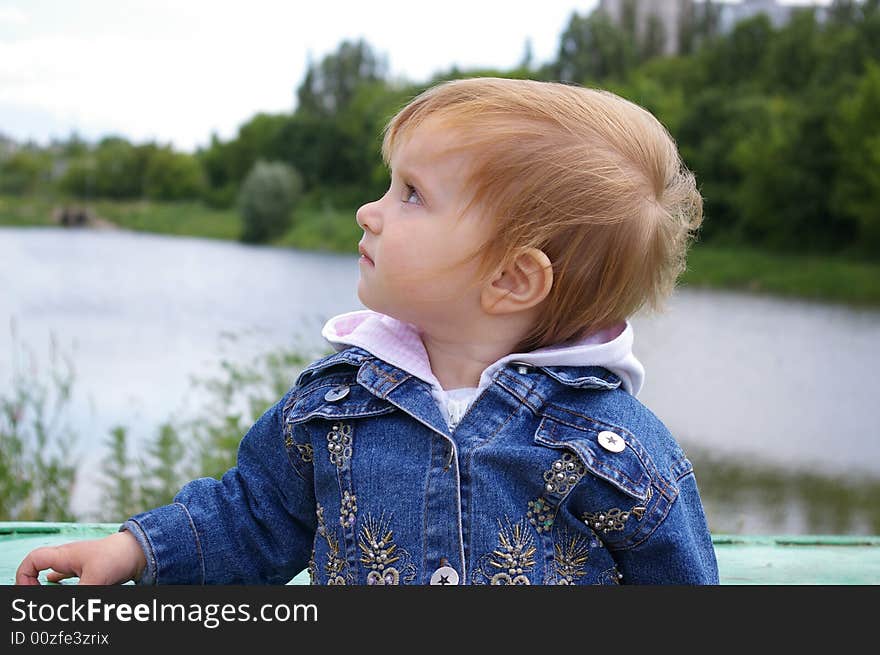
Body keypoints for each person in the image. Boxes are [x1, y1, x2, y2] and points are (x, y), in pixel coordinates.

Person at [17, 77, 718, 586]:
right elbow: (255, 517)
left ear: (511, 279)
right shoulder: (334, 405)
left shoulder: (617, 452)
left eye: (411, 194)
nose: (369, 211)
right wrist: (135, 550)